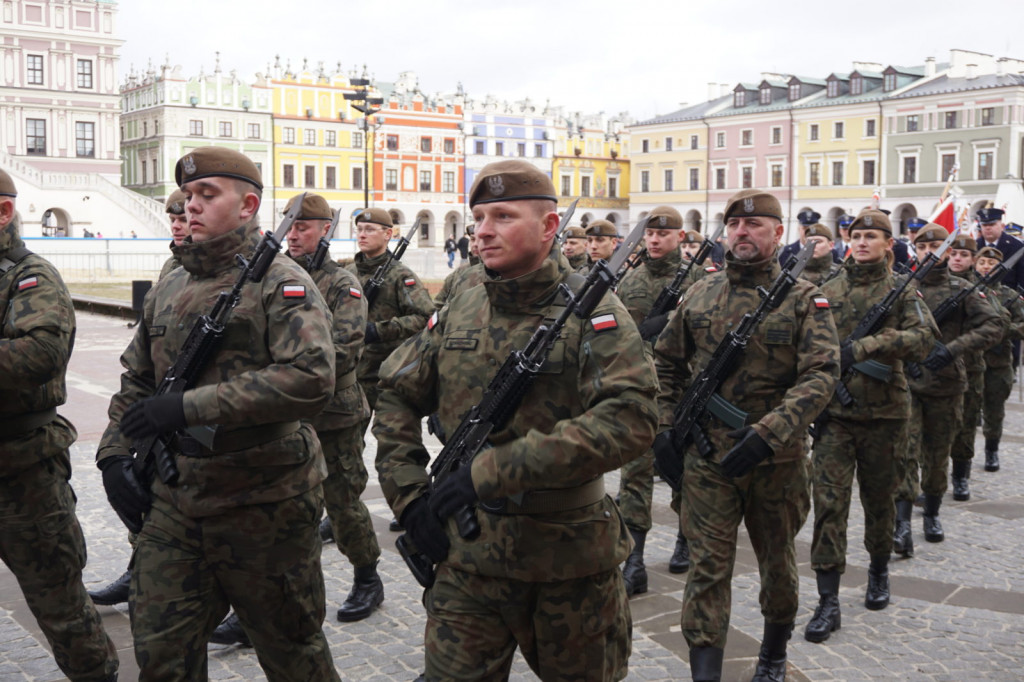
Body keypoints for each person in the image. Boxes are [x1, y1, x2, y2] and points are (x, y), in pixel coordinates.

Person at [374, 160, 659, 680]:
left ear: (549, 227)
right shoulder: (461, 300)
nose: (482, 230)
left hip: (568, 562)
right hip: (468, 559)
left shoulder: (595, 311)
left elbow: (632, 419)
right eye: (479, 216)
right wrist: (409, 494)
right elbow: (395, 388)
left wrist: (491, 472)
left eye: (503, 216)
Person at [96, 147, 340, 680]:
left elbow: (310, 379)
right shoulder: (171, 282)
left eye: (208, 195)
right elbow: (137, 380)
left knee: (291, 651)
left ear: (249, 204)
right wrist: (114, 455)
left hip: (264, 504)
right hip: (177, 502)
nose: (192, 206)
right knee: (160, 652)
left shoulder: (282, 283)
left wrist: (185, 407)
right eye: (188, 196)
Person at [654, 188, 840, 681]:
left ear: (778, 234)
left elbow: (821, 375)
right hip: (707, 458)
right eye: (735, 224)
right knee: (707, 569)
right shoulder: (699, 292)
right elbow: (666, 365)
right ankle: (706, 672)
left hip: (774, 461)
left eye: (755, 225)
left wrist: (770, 432)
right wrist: (666, 427)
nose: (742, 232)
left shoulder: (804, 300)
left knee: (777, 563)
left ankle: (773, 657)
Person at [211, 194, 383, 648]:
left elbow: (341, 351)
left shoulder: (343, 282)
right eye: (291, 226)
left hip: (334, 414)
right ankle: (261, 611)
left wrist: (281, 372)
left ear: (325, 228)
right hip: (282, 418)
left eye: (304, 227)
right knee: (281, 517)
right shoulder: (270, 274)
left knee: (343, 505)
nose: (295, 234)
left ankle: (367, 574)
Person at [0, 169, 119, 681]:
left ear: (3, 212)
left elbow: (41, 352)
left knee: (60, 605)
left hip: (22, 470)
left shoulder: (29, 276)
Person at [804, 209, 934, 644]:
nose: (861, 242)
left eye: (871, 236)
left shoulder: (901, 289)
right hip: (835, 418)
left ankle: (879, 572)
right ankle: (828, 599)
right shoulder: (827, 288)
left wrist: (868, 346)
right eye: (855, 235)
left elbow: (924, 339)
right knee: (829, 505)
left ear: (887, 243)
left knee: (879, 502)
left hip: (884, 416)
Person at [89, 189, 194, 608]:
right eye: (174, 218)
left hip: (215, 429)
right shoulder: (174, 267)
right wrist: (114, 450)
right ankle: (140, 571)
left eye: (184, 216)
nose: (179, 223)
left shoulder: (258, 275)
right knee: (146, 495)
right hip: (165, 415)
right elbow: (140, 368)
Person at [894, 224, 1000, 553]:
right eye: (923, 247)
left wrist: (953, 349)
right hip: (907, 385)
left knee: (937, 456)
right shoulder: (901, 287)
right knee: (905, 454)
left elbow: (994, 325)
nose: (929, 252)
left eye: (937, 246)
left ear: (948, 251)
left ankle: (933, 513)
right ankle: (902, 524)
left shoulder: (963, 289)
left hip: (947, 386)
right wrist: (901, 355)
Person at [615, 205, 698, 593]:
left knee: (681, 471)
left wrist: (665, 322)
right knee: (634, 476)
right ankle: (635, 561)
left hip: (682, 394)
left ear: (680, 237)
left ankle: (684, 537)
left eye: (663, 234)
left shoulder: (698, 281)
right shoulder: (630, 281)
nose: (653, 240)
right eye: (650, 234)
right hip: (638, 390)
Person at [945, 234, 994, 502]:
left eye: (964, 255)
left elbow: (995, 325)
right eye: (953, 254)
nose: (957, 259)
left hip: (970, 367)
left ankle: (961, 476)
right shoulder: (936, 284)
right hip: (935, 370)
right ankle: (930, 480)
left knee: (964, 425)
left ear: (973, 260)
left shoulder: (981, 291)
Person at [976, 247, 1024, 471]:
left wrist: (1003, 329)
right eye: (982, 262)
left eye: (991, 263)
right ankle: (960, 459)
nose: (986, 266)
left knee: (994, 409)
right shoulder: (968, 292)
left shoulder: (1009, 295)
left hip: (998, 362)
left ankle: (991, 450)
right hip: (969, 362)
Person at [434, 223, 485, 311]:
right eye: (473, 239)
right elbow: (437, 306)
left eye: (480, 240)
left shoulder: (500, 273)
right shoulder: (459, 273)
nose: (475, 244)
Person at [975, 207, 1024, 289]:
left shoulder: (1017, 246)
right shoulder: (975, 245)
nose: (988, 228)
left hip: (1009, 297)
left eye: (992, 224)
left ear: (1002, 226)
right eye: (984, 225)